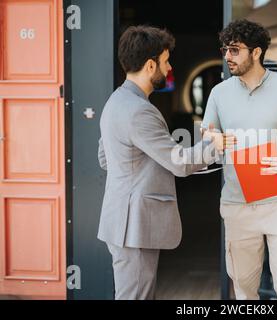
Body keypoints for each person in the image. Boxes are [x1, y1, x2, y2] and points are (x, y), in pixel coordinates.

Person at [97, 26, 232, 300]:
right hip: (133, 227)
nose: (169, 68)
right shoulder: (139, 111)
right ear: (150, 65)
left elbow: (105, 159)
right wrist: (213, 145)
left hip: (122, 221)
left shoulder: (116, 101)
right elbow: (179, 163)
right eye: (166, 61)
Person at [202, 19, 277, 300]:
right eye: (225, 50)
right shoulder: (218, 93)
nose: (227, 57)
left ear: (256, 52)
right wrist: (212, 138)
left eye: (234, 50)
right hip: (236, 202)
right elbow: (207, 135)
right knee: (243, 288)